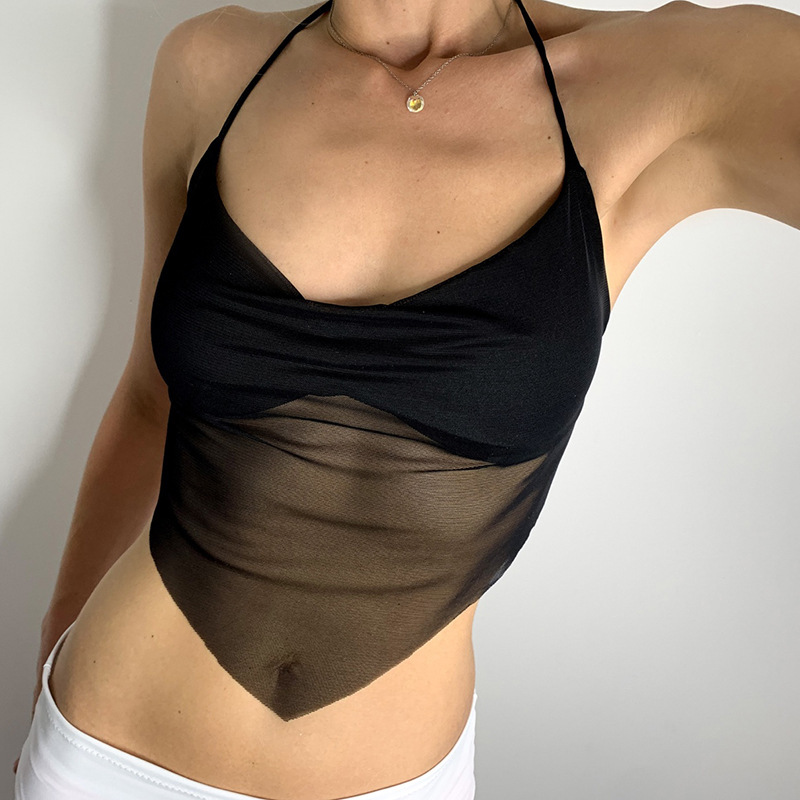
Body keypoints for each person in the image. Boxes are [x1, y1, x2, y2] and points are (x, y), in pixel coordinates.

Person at [12, 0, 800, 798]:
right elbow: (149, 402)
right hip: (102, 753)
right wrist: (53, 644)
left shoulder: (662, 80)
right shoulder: (212, 65)